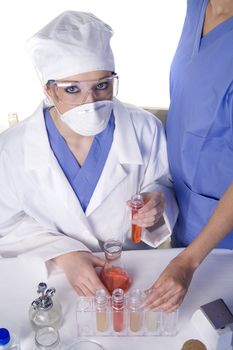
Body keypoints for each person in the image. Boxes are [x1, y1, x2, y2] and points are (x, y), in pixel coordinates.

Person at [0, 11, 178, 296]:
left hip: (131, 274)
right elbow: (6, 226)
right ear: (49, 90)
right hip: (55, 279)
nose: (90, 102)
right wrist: (64, 254)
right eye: (72, 89)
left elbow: (164, 185)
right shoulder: (10, 149)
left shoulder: (145, 128)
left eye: (101, 85)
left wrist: (157, 203)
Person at [144, 0, 233, 312]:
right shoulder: (198, 6)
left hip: (224, 232)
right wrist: (161, 191)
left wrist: (188, 261)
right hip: (188, 216)